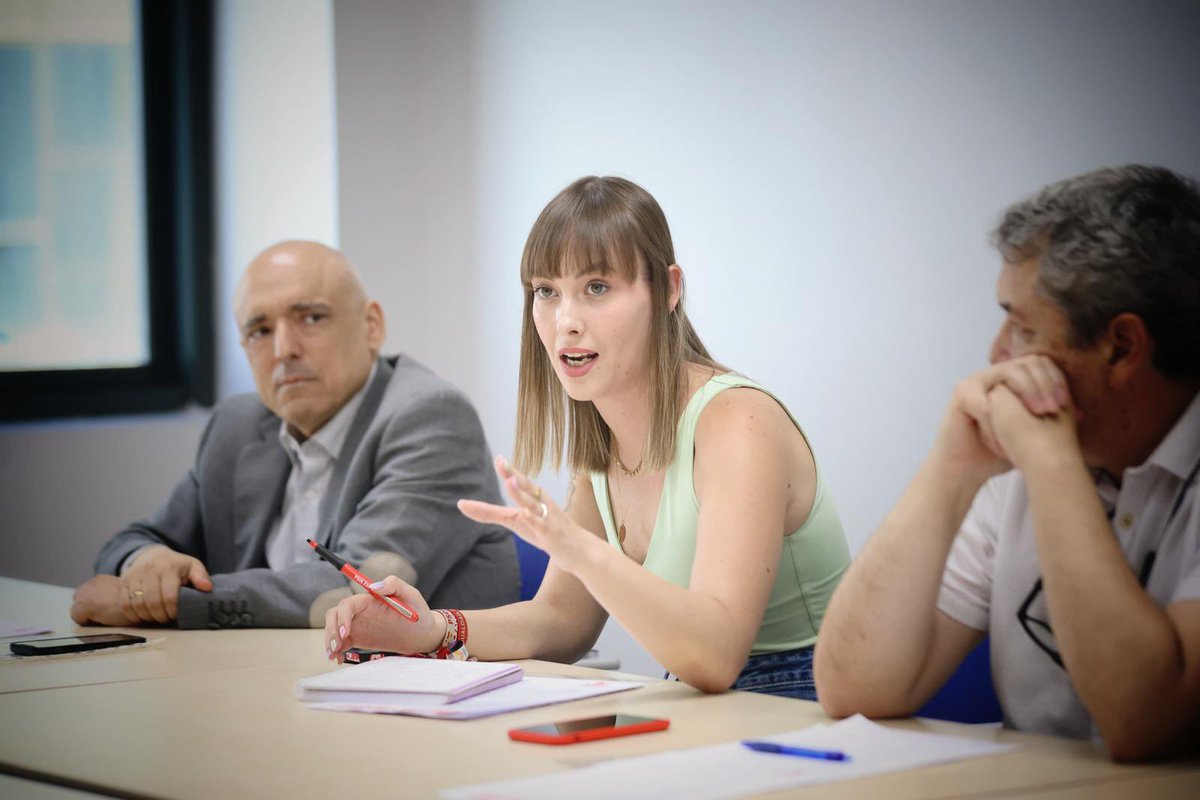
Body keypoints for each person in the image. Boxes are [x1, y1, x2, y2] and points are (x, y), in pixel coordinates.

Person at [323, 177, 851, 697]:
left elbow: (715, 656)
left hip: (806, 701)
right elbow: (561, 620)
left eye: (597, 288)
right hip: (705, 705)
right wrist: (435, 629)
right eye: (547, 292)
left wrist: (577, 548)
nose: (565, 322)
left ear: (669, 290)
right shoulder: (604, 444)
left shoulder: (738, 422)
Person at [815, 165, 1200, 761]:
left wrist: (1050, 464)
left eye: (1022, 328)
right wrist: (951, 466)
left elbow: (1142, 721)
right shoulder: (1013, 462)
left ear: (1121, 348)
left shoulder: (1043, 449)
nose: (996, 354)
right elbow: (852, 689)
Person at [71, 241, 519, 629]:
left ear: (372, 326)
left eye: (311, 318)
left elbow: (355, 588)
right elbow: (133, 541)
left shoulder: (432, 417)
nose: (284, 349)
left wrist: (165, 604)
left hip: (428, 700)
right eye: (260, 330)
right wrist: (148, 567)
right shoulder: (237, 425)